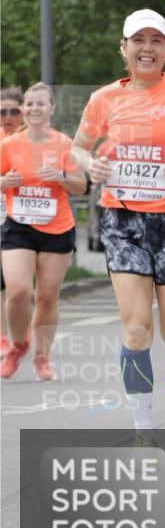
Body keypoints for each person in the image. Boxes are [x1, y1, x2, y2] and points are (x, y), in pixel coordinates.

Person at [72, 9, 165, 435]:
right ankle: (143, 428)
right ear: (124, 49)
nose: (147, 48)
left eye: (157, 41)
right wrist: (91, 166)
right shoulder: (105, 98)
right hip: (121, 221)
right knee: (136, 329)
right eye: (139, 40)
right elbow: (79, 149)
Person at [1, 83, 86, 379]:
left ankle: (42, 357)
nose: (35, 109)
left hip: (56, 228)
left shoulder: (65, 143)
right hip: (18, 227)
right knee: (18, 292)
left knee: (47, 297)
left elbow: (81, 185)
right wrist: (4, 183)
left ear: (51, 108)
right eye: (30, 104)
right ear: (23, 109)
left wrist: (61, 177)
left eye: (41, 104)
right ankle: (18, 344)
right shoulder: (9, 144)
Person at [1, 87, 24, 357]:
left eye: (13, 111)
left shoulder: (32, 140)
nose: (7, 116)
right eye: (2, 111)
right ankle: (3, 338)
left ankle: (21, 330)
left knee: (17, 286)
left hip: (28, 221)